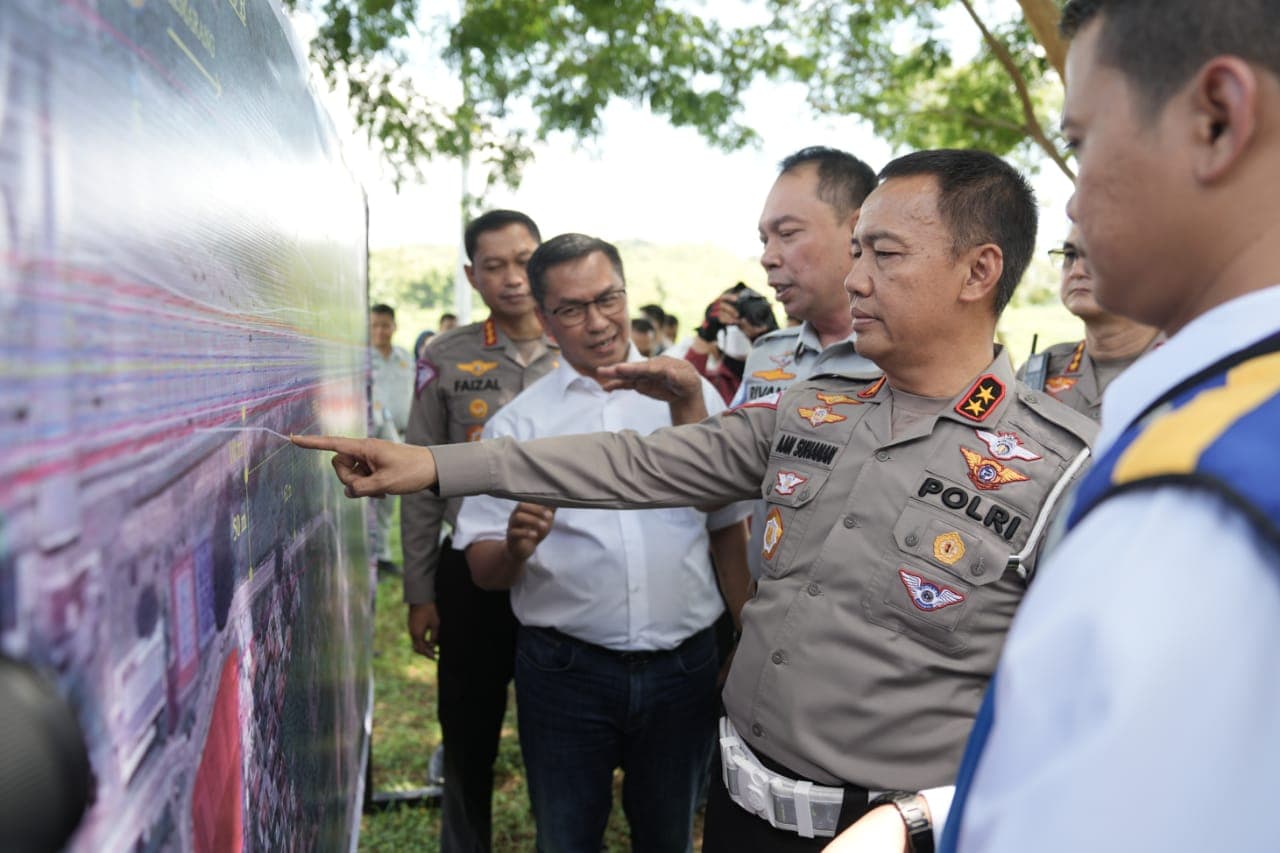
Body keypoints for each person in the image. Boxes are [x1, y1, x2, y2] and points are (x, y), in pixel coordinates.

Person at [294, 148, 1097, 852]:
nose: (854, 278)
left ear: (979, 271)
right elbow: (636, 463)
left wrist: (925, 818)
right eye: (855, 252)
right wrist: (432, 464)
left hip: (888, 832)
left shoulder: (1062, 470)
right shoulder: (813, 404)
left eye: (884, 254)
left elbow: (1080, 718)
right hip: (740, 809)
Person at [929, 2, 1280, 850]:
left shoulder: (1193, 510)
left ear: (1216, 119)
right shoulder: (1072, 380)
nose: (1075, 200)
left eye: (1081, 142)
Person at [454, 233, 752, 852]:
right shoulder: (519, 427)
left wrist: (746, 635)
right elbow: (483, 568)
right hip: (565, 674)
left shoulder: (691, 397)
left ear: (626, 292)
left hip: (683, 670)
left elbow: (726, 523)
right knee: (565, 839)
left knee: (668, 836)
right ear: (543, 319)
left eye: (608, 298)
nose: (598, 322)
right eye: (572, 309)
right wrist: (514, 548)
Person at [400, 209, 559, 852]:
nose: (513, 277)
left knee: (558, 732)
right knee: (468, 729)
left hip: (560, 568)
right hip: (472, 571)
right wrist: (419, 590)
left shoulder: (582, 349)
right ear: (472, 276)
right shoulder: (446, 357)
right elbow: (418, 480)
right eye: (494, 266)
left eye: (524, 260)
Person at [733, 146, 884, 580]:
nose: (768, 257)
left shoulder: (909, 362)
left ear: (857, 229)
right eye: (764, 239)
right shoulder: (766, 356)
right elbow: (728, 484)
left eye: (788, 233)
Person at [1016, 224, 1161, 420]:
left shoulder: (1190, 370)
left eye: (1097, 254)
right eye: (1069, 255)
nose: (1076, 271)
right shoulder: (1041, 372)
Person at [369, 303, 415, 573]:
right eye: (374, 325)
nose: (380, 331)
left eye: (385, 325)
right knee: (384, 498)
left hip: (409, 433)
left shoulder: (405, 357)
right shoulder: (364, 360)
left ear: (394, 327)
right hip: (381, 436)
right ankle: (381, 555)